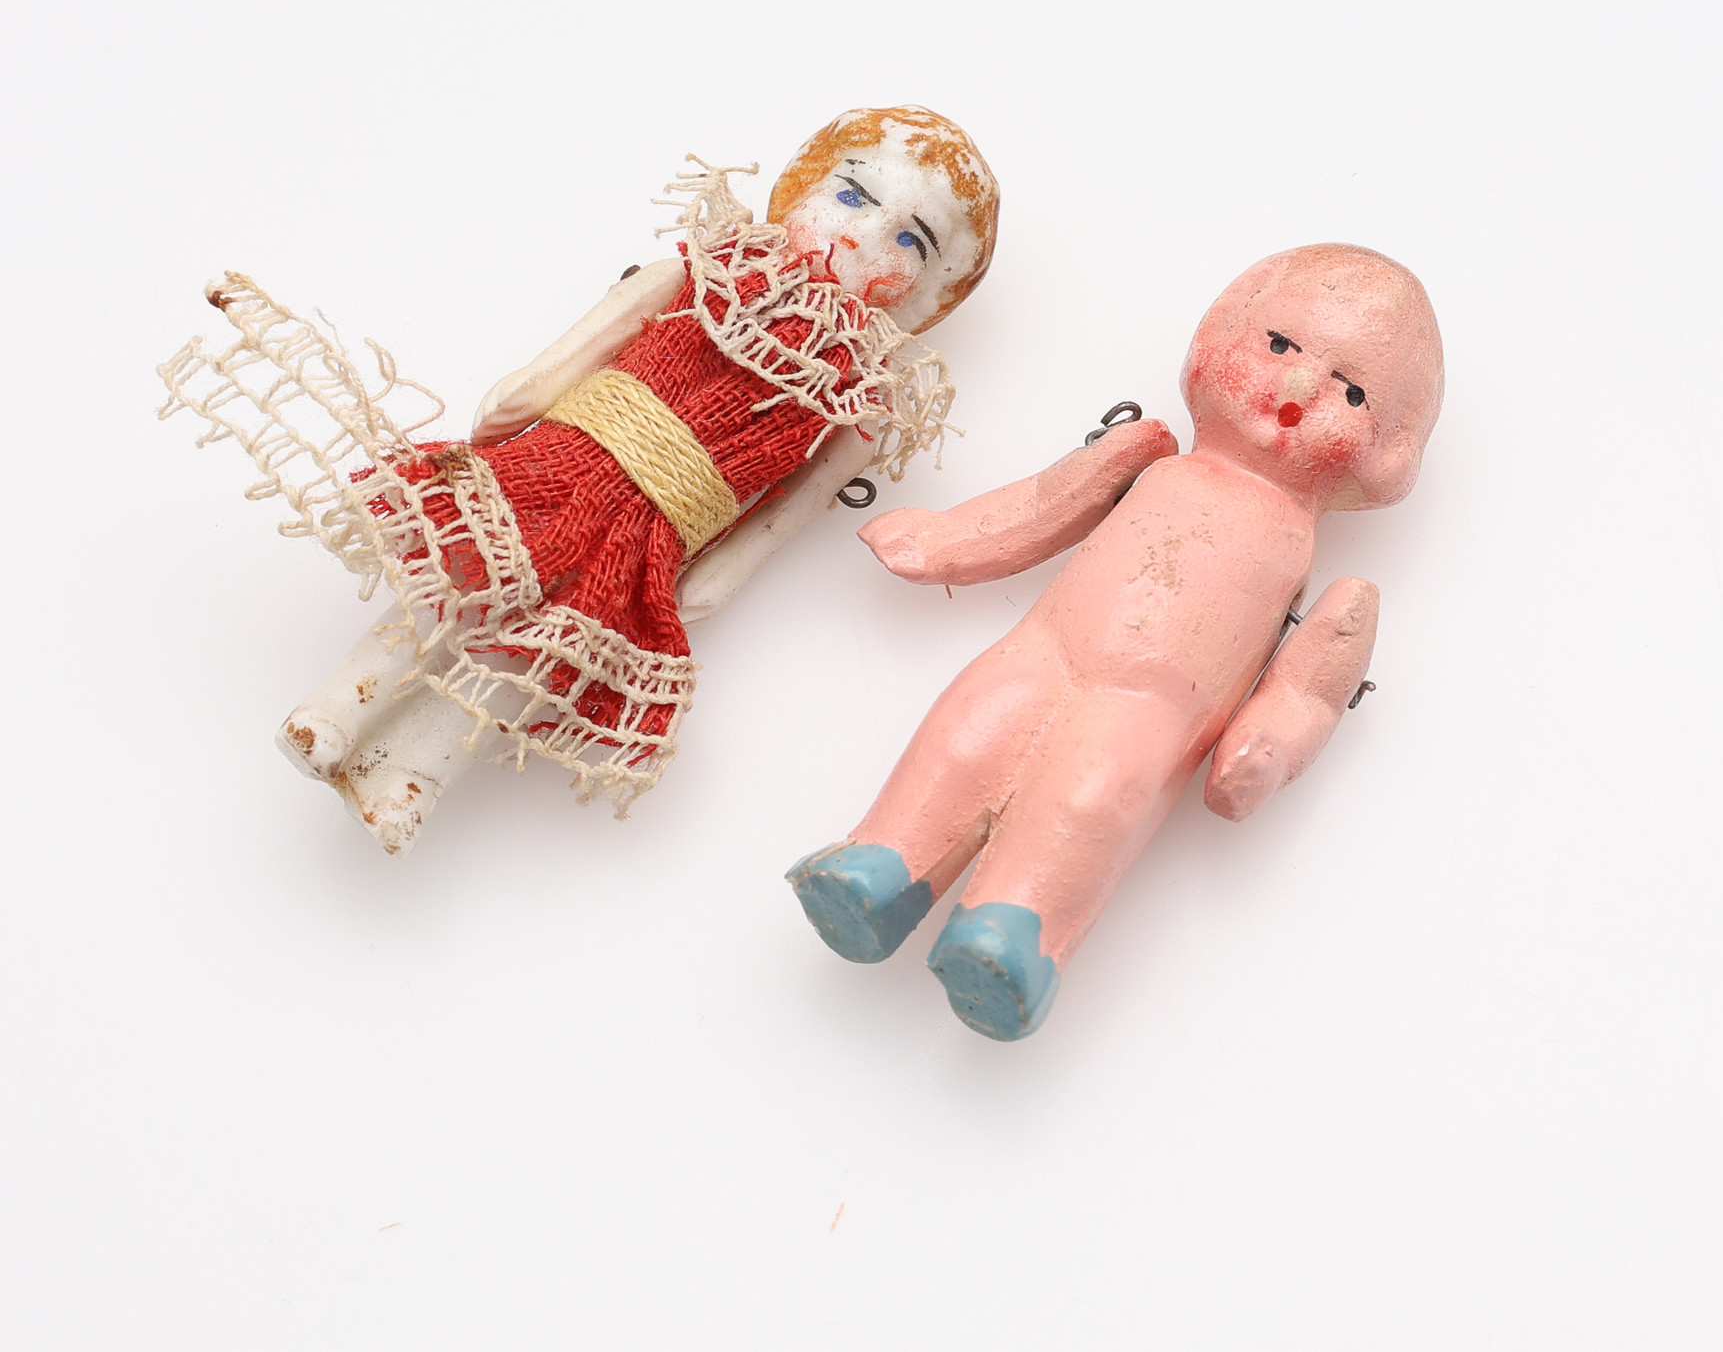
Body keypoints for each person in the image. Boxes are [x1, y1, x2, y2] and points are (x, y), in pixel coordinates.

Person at [159, 106, 999, 854]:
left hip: (648, 534)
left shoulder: (854, 401)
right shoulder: (698, 273)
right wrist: (516, 401)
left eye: (910, 241)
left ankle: (410, 772)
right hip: (566, 460)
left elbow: (794, 508)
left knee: (533, 654)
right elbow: (587, 343)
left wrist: (727, 571)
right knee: (461, 577)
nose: (861, 238)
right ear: (800, 188)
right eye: (851, 195)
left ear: (928, 296)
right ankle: (337, 708)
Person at [787, 243, 1443, 1041]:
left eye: (1351, 391)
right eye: (1278, 345)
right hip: (1040, 651)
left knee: (1092, 795)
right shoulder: (1142, 455)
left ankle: (1011, 934)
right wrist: (947, 540)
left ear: (1390, 451)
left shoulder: (1331, 584)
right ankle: (880, 866)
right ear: (1217, 338)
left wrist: (1265, 751)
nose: (1299, 388)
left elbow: (1306, 689)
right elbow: (1044, 502)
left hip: (1150, 711)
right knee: (967, 730)